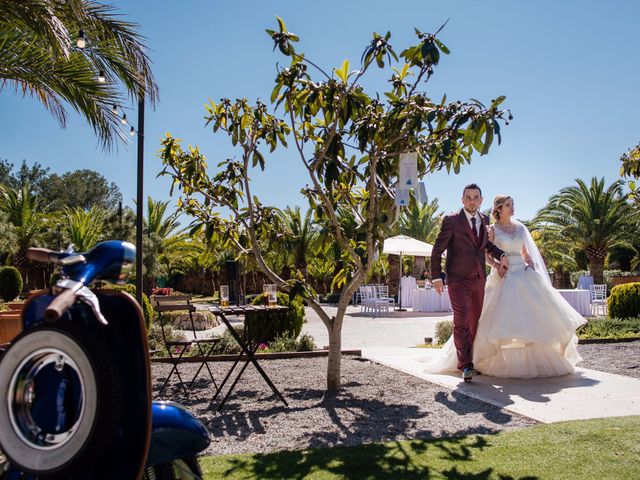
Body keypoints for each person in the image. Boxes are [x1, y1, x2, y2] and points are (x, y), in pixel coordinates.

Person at [423, 194, 586, 378]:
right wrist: (497, 265)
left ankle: (530, 361)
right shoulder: (492, 229)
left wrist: (530, 266)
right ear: (498, 208)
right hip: (502, 275)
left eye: (513, 204)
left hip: (523, 275)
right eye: (508, 204)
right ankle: (471, 360)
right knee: (493, 319)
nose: (512, 207)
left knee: (530, 319)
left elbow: (524, 253)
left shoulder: (520, 228)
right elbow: (484, 253)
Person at [429, 184, 509, 381]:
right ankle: (465, 365)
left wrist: (502, 254)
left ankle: (468, 360)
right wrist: (437, 277)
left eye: (476, 197)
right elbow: (437, 250)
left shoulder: (484, 219)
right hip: (457, 280)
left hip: (478, 279)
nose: (472, 200)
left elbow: (485, 245)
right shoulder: (451, 220)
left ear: (481, 200)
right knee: (462, 321)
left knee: (474, 321)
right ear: (462, 200)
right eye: (468, 197)